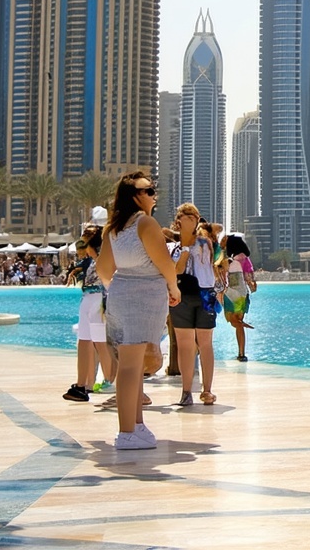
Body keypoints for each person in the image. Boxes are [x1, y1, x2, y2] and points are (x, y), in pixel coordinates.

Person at [95, 171, 180, 450]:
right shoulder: (146, 223)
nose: (154, 194)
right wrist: (173, 288)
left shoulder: (114, 227)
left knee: (132, 364)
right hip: (144, 294)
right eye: (149, 190)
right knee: (132, 366)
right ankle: (126, 431)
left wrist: (120, 289)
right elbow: (164, 262)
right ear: (134, 196)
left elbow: (104, 270)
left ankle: (137, 424)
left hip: (121, 293)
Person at [169, 204, 221, 407]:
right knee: (184, 343)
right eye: (188, 216)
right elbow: (177, 271)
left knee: (205, 342)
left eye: (195, 217)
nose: (193, 219)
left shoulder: (205, 244)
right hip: (181, 296)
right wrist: (184, 249)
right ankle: (186, 391)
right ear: (179, 219)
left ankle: (207, 390)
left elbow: (216, 233)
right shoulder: (172, 247)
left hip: (205, 294)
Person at [63, 225, 115, 403]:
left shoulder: (103, 259)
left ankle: (112, 382)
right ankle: (81, 385)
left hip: (99, 299)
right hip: (88, 298)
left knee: (100, 344)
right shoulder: (91, 260)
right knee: (84, 342)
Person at [220, 234, 256, 362]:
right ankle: (241, 354)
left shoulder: (227, 260)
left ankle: (242, 324)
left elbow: (222, 276)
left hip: (231, 294)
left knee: (232, 321)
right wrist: (253, 284)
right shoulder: (246, 260)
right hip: (243, 295)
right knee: (238, 324)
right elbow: (249, 278)